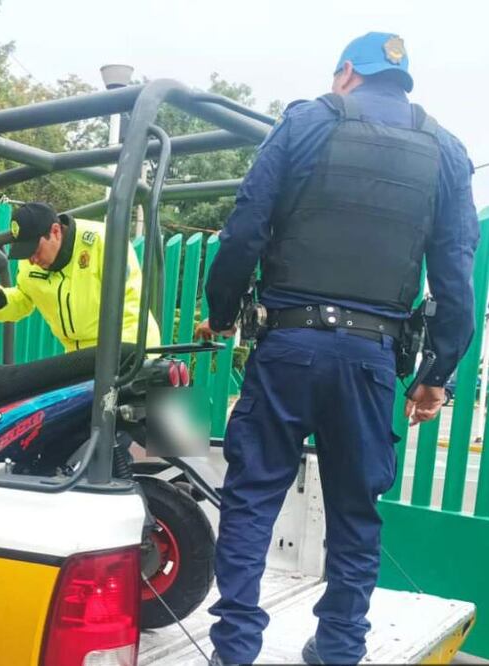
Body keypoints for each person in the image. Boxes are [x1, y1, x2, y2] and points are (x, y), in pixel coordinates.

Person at [196, 32, 479, 665]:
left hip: (289, 346)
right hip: (373, 358)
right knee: (356, 510)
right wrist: (436, 373)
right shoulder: (447, 151)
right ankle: (339, 648)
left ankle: (235, 652)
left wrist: (219, 314)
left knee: (252, 501)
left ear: (346, 73)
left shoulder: (305, 121)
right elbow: (456, 273)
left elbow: (244, 228)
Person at [0, 201, 159, 350]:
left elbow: (127, 304)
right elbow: (23, 299)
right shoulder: (31, 262)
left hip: (124, 347)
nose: (31, 260)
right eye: (25, 252)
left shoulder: (103, 241)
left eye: (35, 250)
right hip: (77, 355)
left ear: (55, 231)